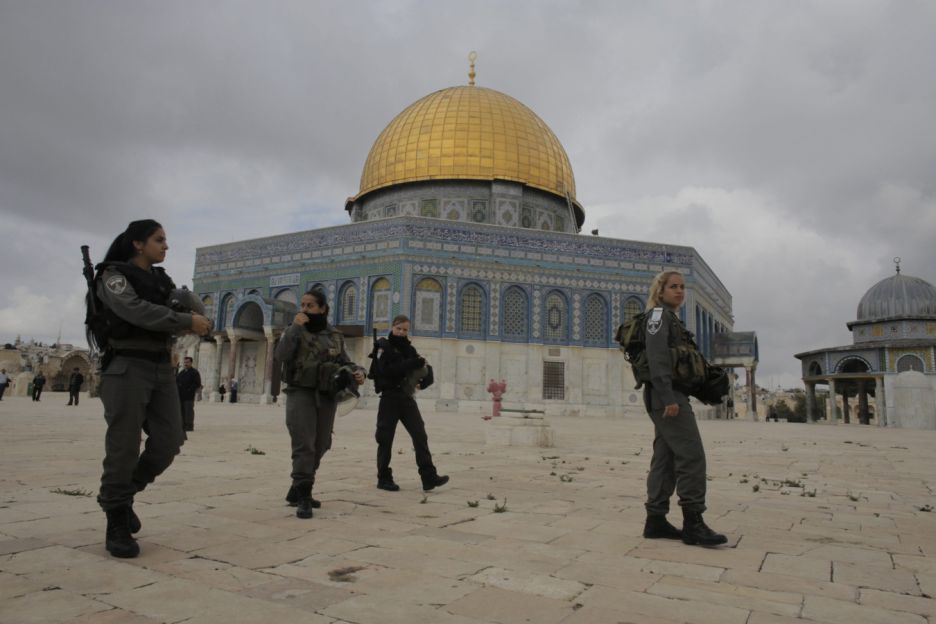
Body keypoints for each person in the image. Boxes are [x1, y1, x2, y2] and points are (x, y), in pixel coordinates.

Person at [91, 219, 211, 558]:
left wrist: (194, 313)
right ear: (138, 244)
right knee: (125, 445)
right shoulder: (113, 277)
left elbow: (171, 310)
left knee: (170, 441)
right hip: (127, 366)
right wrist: (187, 321)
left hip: (160, 369)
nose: (166, 246)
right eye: (159, 240)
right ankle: (116, 519)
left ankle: (123, 494)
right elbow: (134, 310)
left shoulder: (161, 282)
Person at [640, 270, 726, 547]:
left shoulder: (671, 319)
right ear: (660, 291)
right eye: (673, 287)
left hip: (672, 394)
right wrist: (668, 398)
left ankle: (655, 521)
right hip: (667, 396)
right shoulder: (657, 317)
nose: (679, 291)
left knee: (665, 460)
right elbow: (656, 359)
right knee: (691, 456)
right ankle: (693, 523)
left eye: (682, 287)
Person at [275, 290, 365, 519]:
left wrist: (358, 372)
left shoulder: (334, 335)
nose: (304, 310)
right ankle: (304, 494)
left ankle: (297, 488)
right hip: (300, 392)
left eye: (310, 306)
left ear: (323, 308)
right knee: (304, 444)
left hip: (325, 394)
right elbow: (281, 355)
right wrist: (294, 328)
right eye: (302, 305)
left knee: (322, 442)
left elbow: (344, 360)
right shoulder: (294, 331)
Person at [371, 315, 448, 492]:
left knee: (420, 435)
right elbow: (388, 371)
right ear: (392, 327)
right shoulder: (385, 349)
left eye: (405, 329)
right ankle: (384, 478)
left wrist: (427, 378)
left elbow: (424, 367)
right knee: (385, 439)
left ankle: (429, 477)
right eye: (399, 328)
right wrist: (412, 363)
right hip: (389, 398)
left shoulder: (409, 350)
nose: (401, 332)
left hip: (406, 398)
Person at [176, 356, 202, 432]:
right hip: (181, 395)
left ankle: (189, 426)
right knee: (181, 411)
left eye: (187, 362)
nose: (185, 364)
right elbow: (177, 380)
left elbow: (197, 383)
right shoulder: (182, 372)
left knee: (188, 411)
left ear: (191, 363)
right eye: (185, 362)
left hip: (189, 396)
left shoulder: (194, 372)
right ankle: (182, 425)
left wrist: (189, 390)